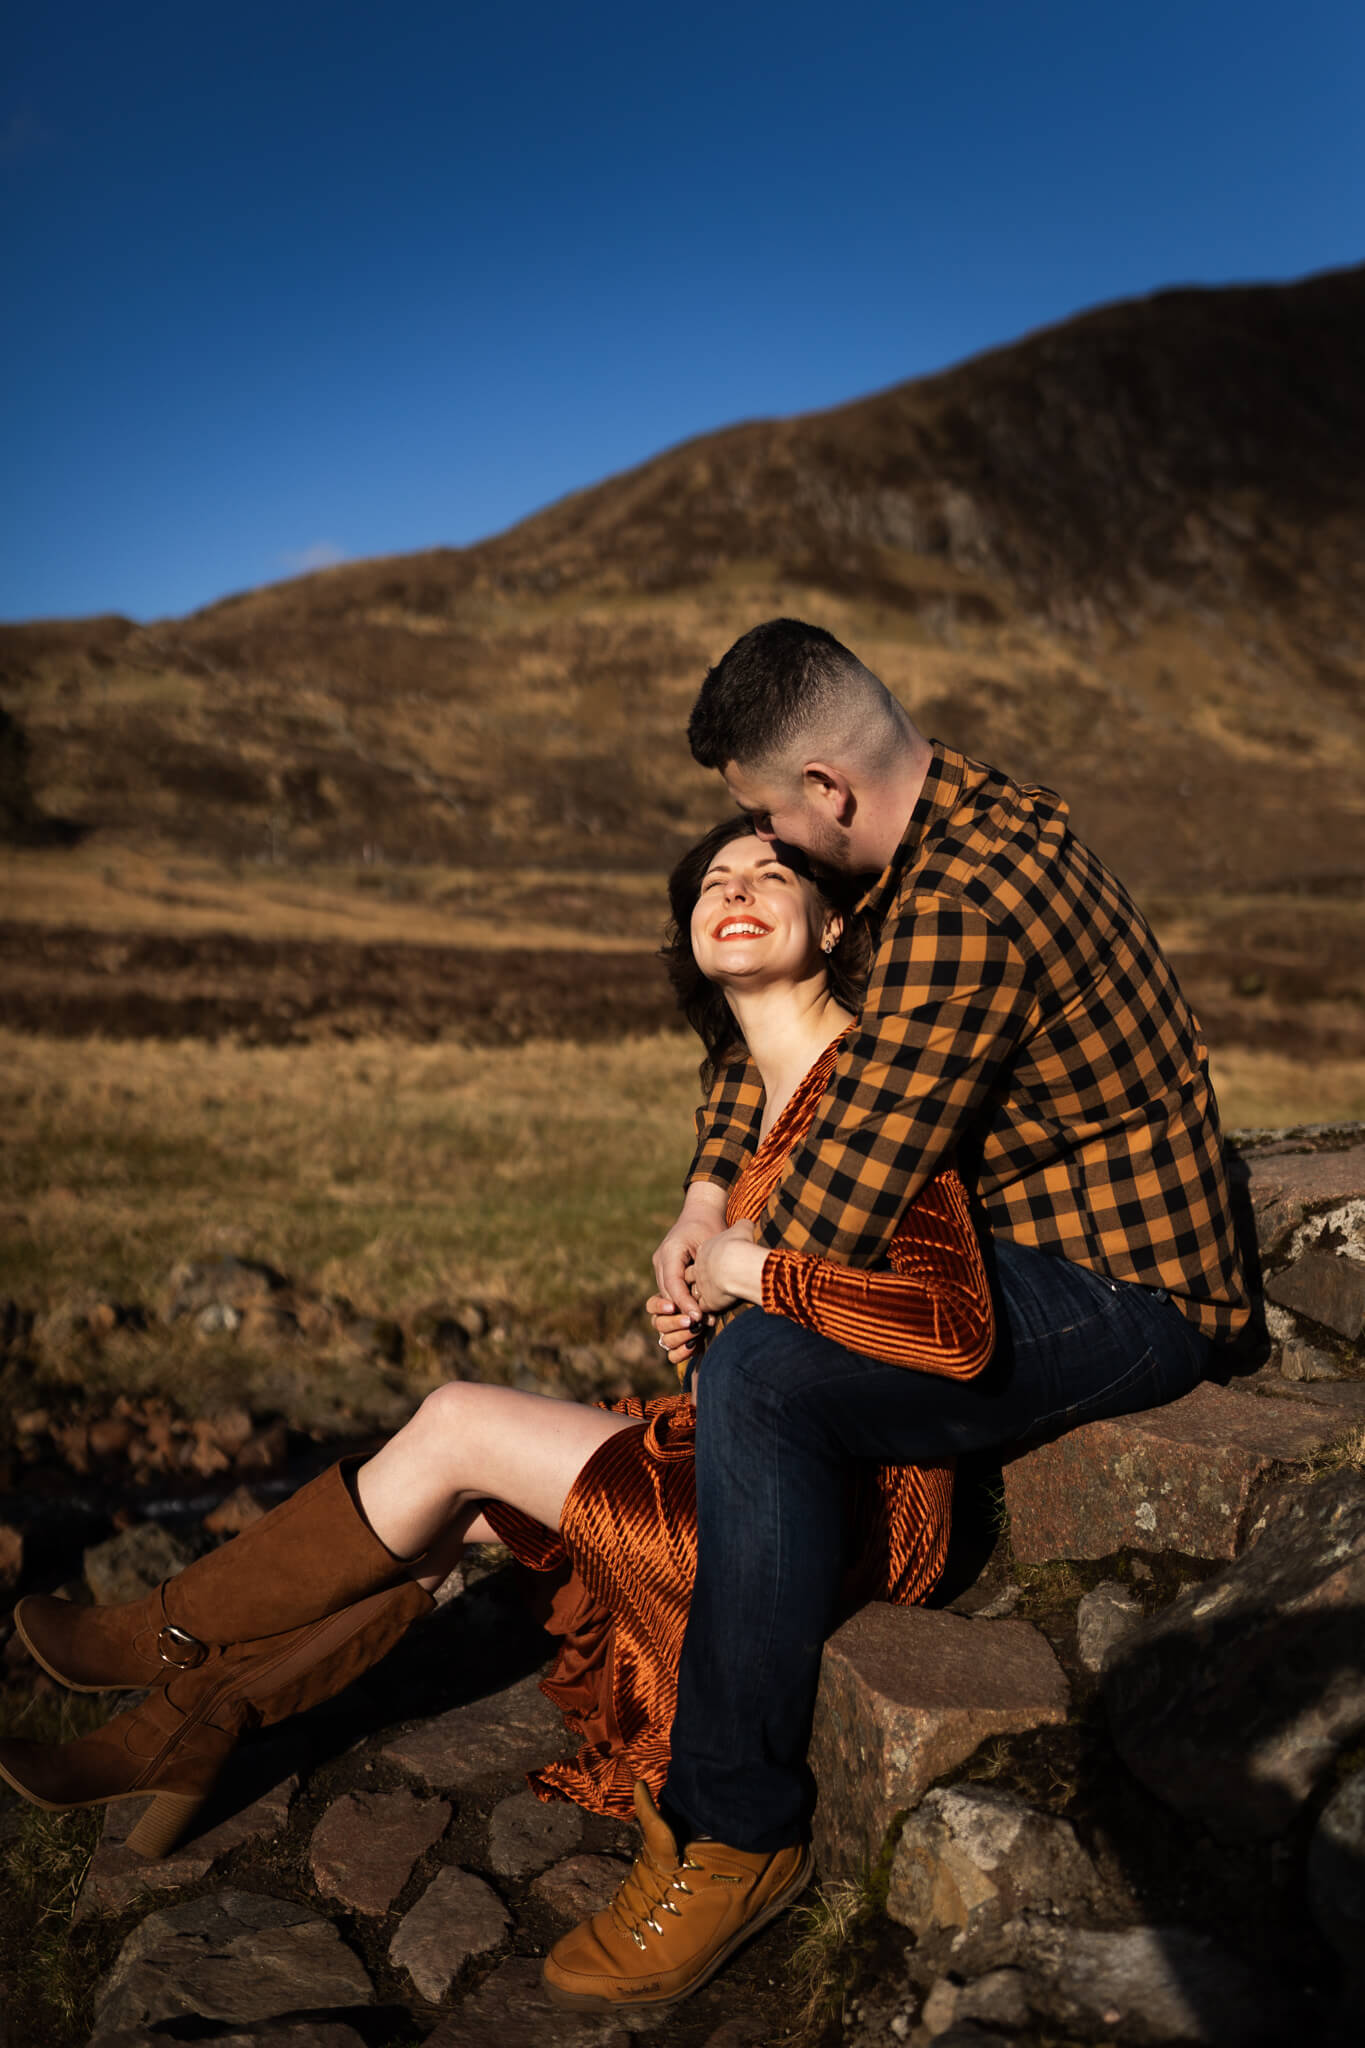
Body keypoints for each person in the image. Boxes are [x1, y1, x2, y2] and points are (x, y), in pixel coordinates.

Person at [0, 815, 994, 2012]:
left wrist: (753, 1280)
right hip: (749, 1464)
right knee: (455, 1503)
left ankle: (162, 1641)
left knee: (457, 1422)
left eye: (770, 873)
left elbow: (949, 1330)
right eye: (713, 879)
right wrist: (715, 1312)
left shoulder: (880, 1095)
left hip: (830, 1515)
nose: (736, 888)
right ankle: (192, 1718)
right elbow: (761, 1233)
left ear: (835, 922)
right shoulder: (759, 1091)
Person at [546, 616, 1250, 2009]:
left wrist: (725, 1271)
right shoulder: (961, 818)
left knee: (761, 1381)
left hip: (1126, 1286)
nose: (762, 848)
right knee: (758, 1352)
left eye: (764, 817)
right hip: (1029, 1241)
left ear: (827, 789)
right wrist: (702, 1200)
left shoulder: (956, 917)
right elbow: (767, 1036)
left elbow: (836, 1197)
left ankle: (737, 1832)